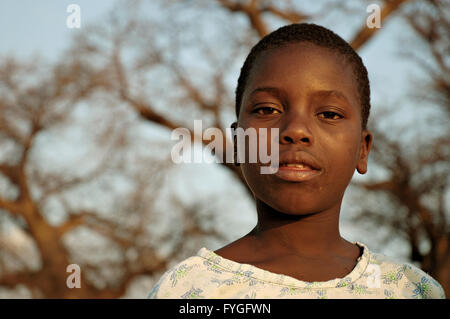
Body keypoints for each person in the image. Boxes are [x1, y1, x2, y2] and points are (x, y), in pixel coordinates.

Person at [148, 23, 445, 299]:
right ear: (238, 144)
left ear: (362, 150)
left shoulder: (410, 289)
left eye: (329, 114)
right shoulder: (188, 288)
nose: (296, 131)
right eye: (267, 110)